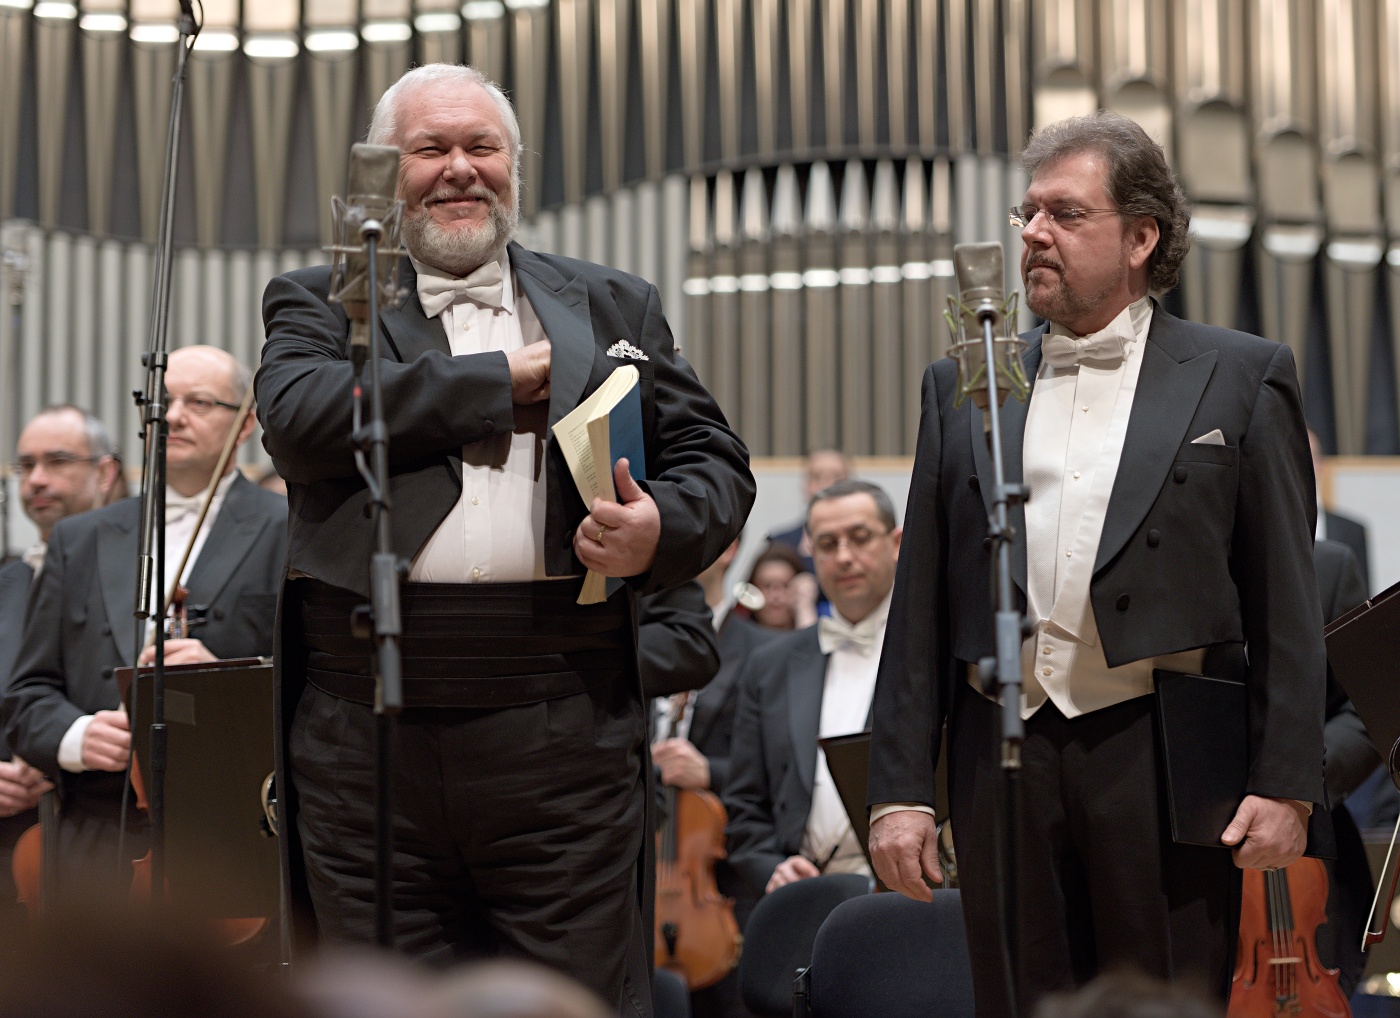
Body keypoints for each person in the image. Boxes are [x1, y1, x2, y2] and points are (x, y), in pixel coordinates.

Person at [255, 63, 753, 1017]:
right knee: (378, 999)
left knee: (570, 1000)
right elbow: (301, 420)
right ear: (381, 171)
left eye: (482, 148)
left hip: (561, 718)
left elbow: (715, 460)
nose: (459, 171)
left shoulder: (613, 305)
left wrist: (658, 529)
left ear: (515, 168)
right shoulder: (321, 299)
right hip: (366, 733)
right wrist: (498, 382)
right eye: (430, 149)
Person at [866, 111, 1325, 1015]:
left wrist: (1285, 785)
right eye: (1027, 213)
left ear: (1141, 237)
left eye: (1065, 215)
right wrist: (897, 793)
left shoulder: (1239, 373)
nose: (1033, 233)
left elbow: (1286, 602)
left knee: (1160, 1001)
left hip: (1158, 753)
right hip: (1001, 754)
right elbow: (919, 599)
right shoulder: (966, 380)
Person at [1, 347, 287, 894]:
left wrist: (231, 678)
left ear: (247, 423)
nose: (173, 415)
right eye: (162, 400)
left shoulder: (291, 527)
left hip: (229, 831)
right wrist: (75, 734)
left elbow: (322, 691)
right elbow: (26, 694)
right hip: (94, 834)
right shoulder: (79, 539)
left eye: (199, 402)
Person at [725, 480, 901, 895]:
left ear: (896, 543)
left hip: (905, 899)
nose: (843, 557)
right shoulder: (770, 666)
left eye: (859, 539)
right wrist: (773, 868)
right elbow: (744, 802)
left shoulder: (933, 651)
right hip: (798, 896)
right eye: (827, 543)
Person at [0, 407, 122, 912]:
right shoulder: (7, 580)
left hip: (102, 834)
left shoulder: (139, 575)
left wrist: (60, 746)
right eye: (25, 466)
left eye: (57, 461)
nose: (37, 481)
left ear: (106, 472)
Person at [1309, 429, 1370, 591]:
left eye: (1309, 457)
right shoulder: (1266, 529)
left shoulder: (1352, 531)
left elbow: (1365, 604)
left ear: (1321, 465)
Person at [737, 544, 815, 632]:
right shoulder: (734, 632)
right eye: (767, 586)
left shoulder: (826, 618)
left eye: (786, 585)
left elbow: (809, 643)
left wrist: (804, 608)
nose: (776, 595)